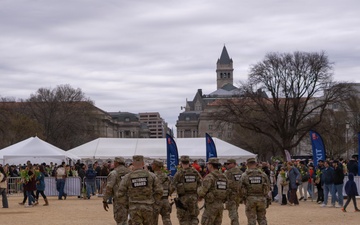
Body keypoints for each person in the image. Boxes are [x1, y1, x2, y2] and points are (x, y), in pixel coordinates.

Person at [118, 155, 163, 225]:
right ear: (143, 164)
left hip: (134, 207)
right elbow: (159, 191)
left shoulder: (127, 177)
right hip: (148, 207)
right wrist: (154, 203)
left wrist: (127, 205)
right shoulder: (152, 176)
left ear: (133, 164)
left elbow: (120, 193)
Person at [170, 155, 202, 225]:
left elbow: (173, 185)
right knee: (193, 217)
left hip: (183, 199)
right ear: (189, 162)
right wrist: (200, 195)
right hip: (194, 198)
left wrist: (168, 193)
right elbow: (201, 183)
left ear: (181, 162)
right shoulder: (195, 172)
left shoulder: (179, 173)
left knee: (183, 218)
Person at [198, 157, 229, 225]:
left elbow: (201, 192)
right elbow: (227, 190)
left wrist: (198, 192)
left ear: (211, 165)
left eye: (208, 164)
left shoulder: (210, 177)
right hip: (220, 205)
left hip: (211, 206)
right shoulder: (224, 177)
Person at [240, 158, 270, 225]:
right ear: (256, 164)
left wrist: (243, 198)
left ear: (247, 164)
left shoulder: (245, 175)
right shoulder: (263, 174)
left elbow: (241, 188)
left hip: (250, 198)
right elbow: (268, 186)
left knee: (251, 219)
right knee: (262, 218)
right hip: (262, 198)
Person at [103, 157, 130, 225]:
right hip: (130, 199)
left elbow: (109, 187)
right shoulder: (130, 172)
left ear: (116, 163)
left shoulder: (114, 173)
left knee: (120, 220)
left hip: (119, 200)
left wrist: (105, 200)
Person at [152, 159, 172, 225]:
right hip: (165, 200)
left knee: (153, 221)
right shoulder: (166, 177)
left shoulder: (152, 176)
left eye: (153, 164)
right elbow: (171, 189)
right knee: (167, 219)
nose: (152, 165)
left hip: (156, 201)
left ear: (156, 166)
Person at [224, 159, 242, 225]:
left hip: (231, 194)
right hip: (238, 194)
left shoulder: (228, 173)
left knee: (232, 211)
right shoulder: (240, 172)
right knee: (235, 210)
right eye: (227, 164)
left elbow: (225, 183)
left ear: (234, 164)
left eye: (229, 164)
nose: (227, 165)